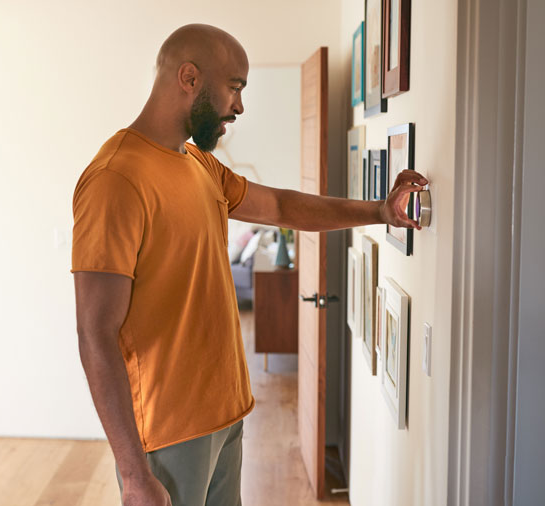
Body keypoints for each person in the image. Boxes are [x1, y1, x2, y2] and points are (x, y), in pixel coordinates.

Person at [71, 24, 426, 506]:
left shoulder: (199, 165)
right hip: (167, 432)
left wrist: (378, 212)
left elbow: (279, 207)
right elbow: (95, 334)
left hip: (226, 416)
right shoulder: (116, 179)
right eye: (234, 87)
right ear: (189, 78)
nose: (238, 106)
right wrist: (134, 474)